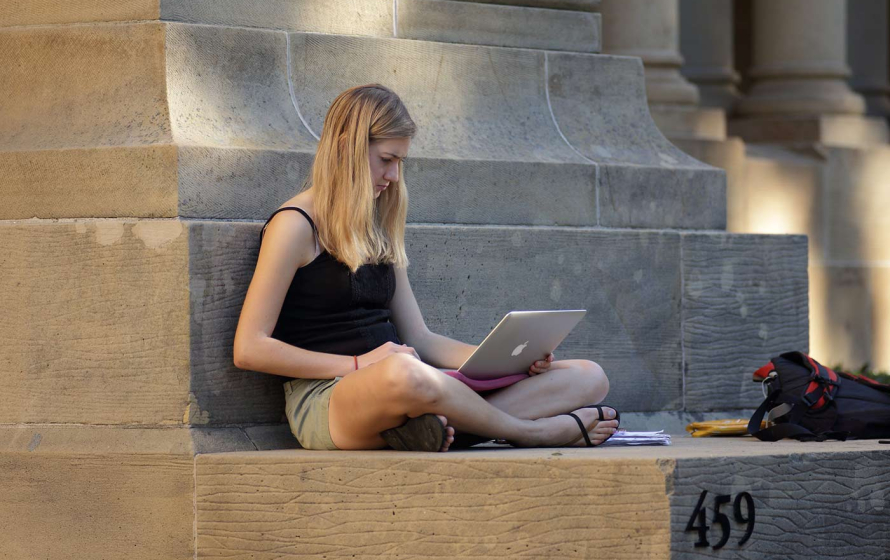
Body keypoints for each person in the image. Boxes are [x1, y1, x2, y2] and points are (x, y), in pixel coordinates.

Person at [233, 84, 619, 452]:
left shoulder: (377, 225)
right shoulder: (294, 224)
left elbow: (421, 339)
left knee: (587, 376)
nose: (394, 176)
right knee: (404, 373)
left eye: (400, 162)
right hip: (332, 399)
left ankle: (432, 429)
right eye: (386, 160)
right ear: (346, 148)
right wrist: (359, 364)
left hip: (414, 386)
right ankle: (529, 432)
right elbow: (249, 349)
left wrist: (509, 361)